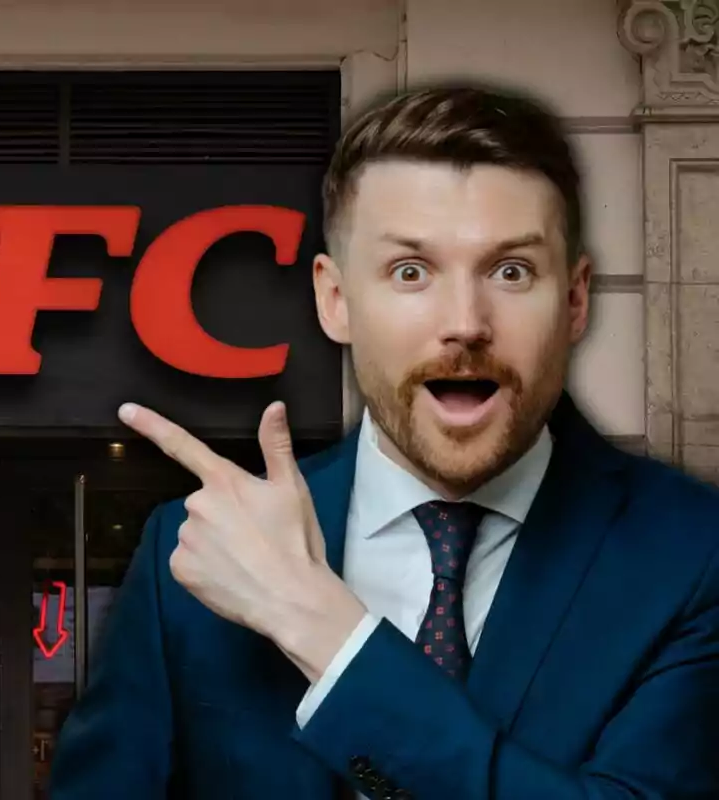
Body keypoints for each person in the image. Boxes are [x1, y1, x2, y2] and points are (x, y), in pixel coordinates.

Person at [48, 83, 719, 800]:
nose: (466, 322)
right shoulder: (186, 555)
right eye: (411, 272)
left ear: (576, 301)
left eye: (511, 271)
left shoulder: (692, 554)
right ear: (335, 300)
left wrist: (322, 628)